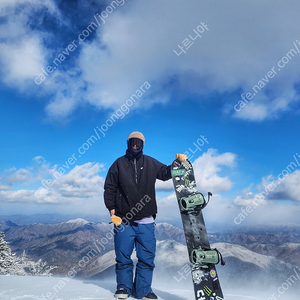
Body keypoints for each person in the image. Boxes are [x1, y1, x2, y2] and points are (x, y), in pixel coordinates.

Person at [104, 131, 187, 300]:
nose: (135, 145)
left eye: (139, 143)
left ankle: (143, 290)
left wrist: (177, 164)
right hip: (123, 220)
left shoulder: (150, 162)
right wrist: (112, 210)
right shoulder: (118, 164)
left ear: (143, 145)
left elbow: (164, 173)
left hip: (146, 220)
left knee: (146, 257)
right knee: (123, 257)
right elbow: (109, 187)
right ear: (128, 143)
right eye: (133, 142)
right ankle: (123, 288)